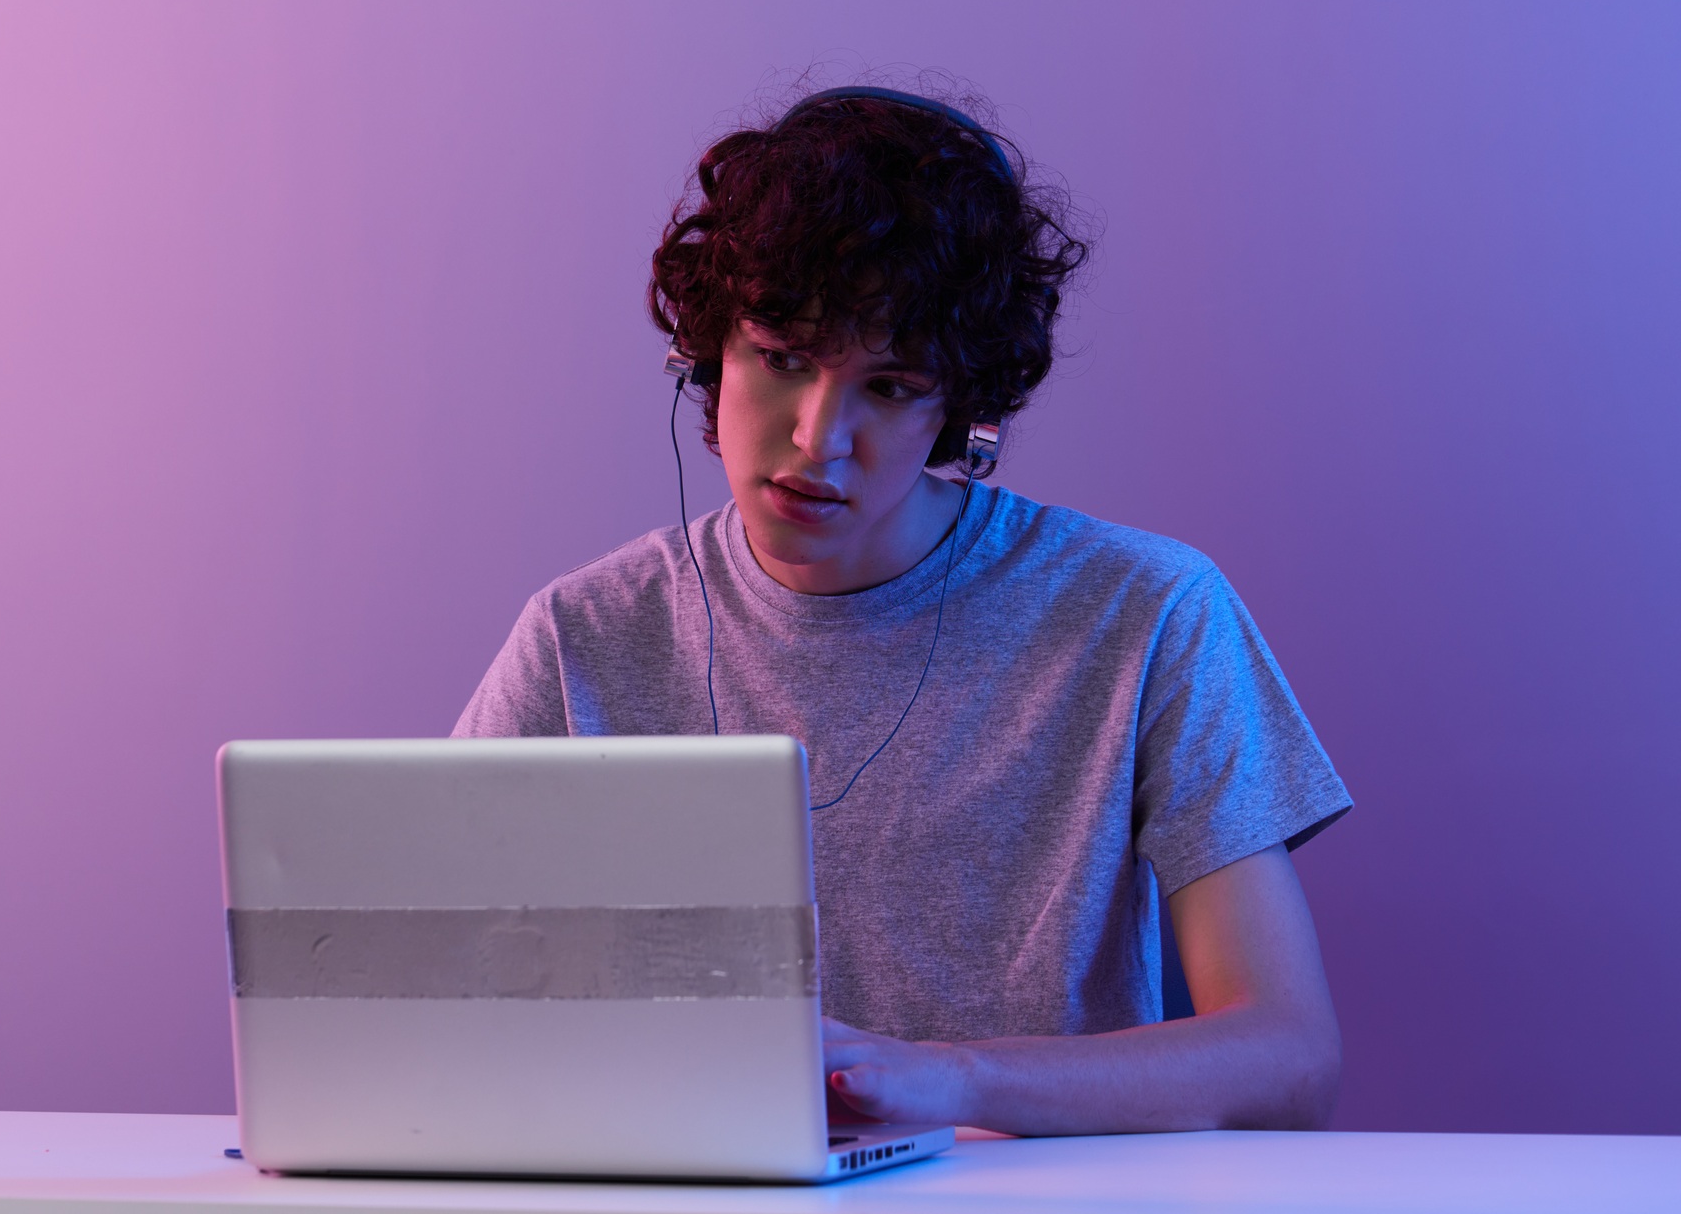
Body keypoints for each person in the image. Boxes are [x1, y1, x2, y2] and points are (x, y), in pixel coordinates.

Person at [454, 85, 1351, 1134]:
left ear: (953, 408)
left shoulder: (1144, 612)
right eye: (781, 358)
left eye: (886, 386)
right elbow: (438, 1011)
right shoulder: (584, 636)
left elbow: (1287, 1057)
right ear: (709, 355)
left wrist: (956, 1079)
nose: (817, 439)